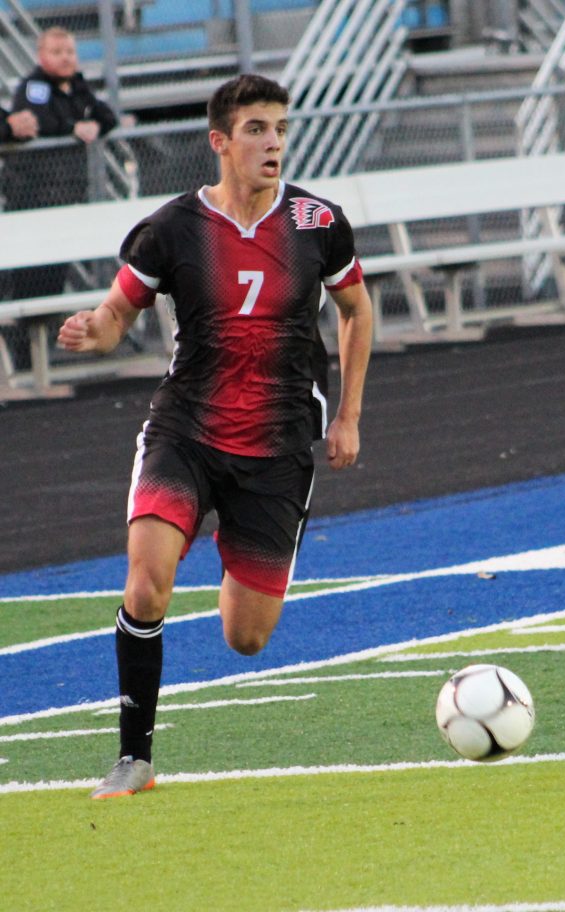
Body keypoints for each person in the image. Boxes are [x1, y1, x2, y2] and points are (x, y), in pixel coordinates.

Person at [57, 74, 373, 798]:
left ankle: (235, 546)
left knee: (246, 637)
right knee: (146, 583)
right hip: (187, 431)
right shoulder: (173, 228)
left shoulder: (318, 223)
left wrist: (349, 415)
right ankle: (134, 758)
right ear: (220, 141)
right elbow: (116, 314)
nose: (273, 142)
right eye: (257, 129)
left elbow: (358, 310)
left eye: (280, 128)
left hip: (278, 443)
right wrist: (93, 332)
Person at [5, 27, 119, 299]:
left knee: (58, 267)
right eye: (56, 52)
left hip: (68, 192)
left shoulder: (78, 87)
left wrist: (95, 125)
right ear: (41, 56)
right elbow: (36, 121)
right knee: (31, 269)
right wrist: (72, 128)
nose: (65, 58)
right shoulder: (35, 87)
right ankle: (27, 322)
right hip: (33, 194)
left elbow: (107, 116)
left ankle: (48, 320)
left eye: (69, 51)